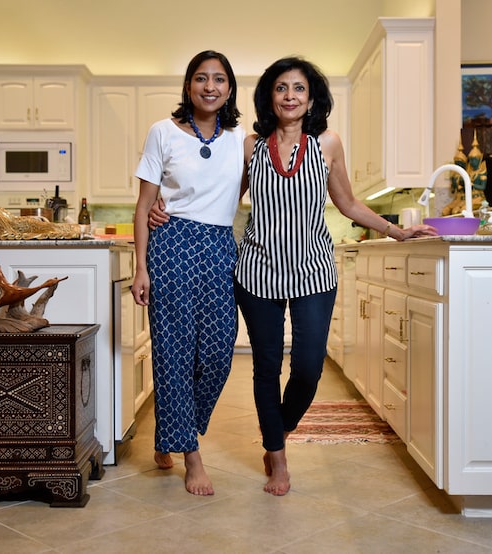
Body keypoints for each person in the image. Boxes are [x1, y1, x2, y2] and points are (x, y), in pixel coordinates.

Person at [150, 57, 437, 496]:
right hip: (257, 272)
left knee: (307, 367)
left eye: (298, 88)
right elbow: (216, 191)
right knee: (265, 368)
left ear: (311, 97)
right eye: (280, 88)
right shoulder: (250, 146)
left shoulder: (328, 144)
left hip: (313, 271)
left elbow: (349, 204)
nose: (289, 96)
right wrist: (164, 207)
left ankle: (277, 432)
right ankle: (277, 459)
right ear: (269, 97)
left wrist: (398, 231)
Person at [132, 50, 245, 496]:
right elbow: (143, 208)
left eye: (219, 79)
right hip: (171, 244)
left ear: (230, 89)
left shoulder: (242, 140)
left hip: (220, 247)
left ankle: (171, 431)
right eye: (201, 78)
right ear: (188, 85)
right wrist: (140, 267)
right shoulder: (162, 132)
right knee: (174, 353)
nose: (210, 86)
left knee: (218, 352)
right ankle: (190, 454)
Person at [0, 191, 81, 240]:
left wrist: (31, 219)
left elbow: (14, 220)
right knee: (50, 232)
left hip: (26, 225)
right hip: (23, 235)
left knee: (52, 228)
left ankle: (76, 228)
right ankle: (75, 228)